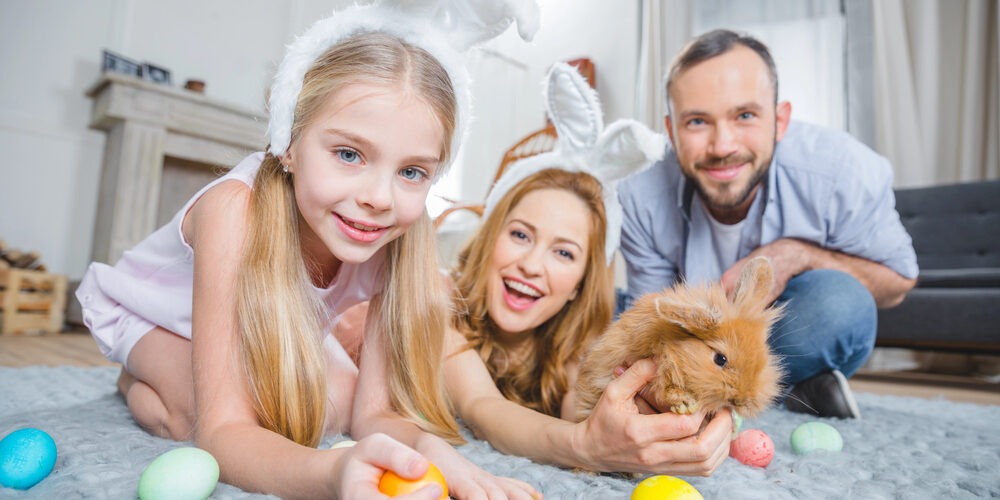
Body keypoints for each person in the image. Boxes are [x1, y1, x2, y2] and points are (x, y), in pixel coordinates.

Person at [75, 2, 542, 498]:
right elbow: (223, 432)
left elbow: (372, 414)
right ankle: (137, 380)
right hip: (159, 320)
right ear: (289, 143)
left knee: (335, 405)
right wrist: (331, 473)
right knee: (214, 414)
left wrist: (430, 451)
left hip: (268, 333)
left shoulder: (400, 238)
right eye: (349, 154)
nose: (379, 198)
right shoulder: (233, 210)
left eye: (411, 172)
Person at [443, 63, 734, 476]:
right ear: (490, 237)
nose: (531, 265)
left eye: (564, 253)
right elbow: (481, 406)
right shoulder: (441, 305)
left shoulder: (576, 344)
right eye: (521, 235)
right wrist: (585, 446)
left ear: (581, 283)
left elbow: (585, 407)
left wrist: (659, 427)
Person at [618, 29, 919, 419]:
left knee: (840, 304)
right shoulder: (638, 192)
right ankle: (794, 390)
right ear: (672, 132)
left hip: (790, 330)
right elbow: (652, 320)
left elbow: (899, 281)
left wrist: (797, 255)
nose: (723, 146)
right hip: (691, 344)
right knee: (607, 314)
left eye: (745, 116)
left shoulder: (842, 169)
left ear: (780, 120)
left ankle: (766, 386)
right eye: (697, 121)